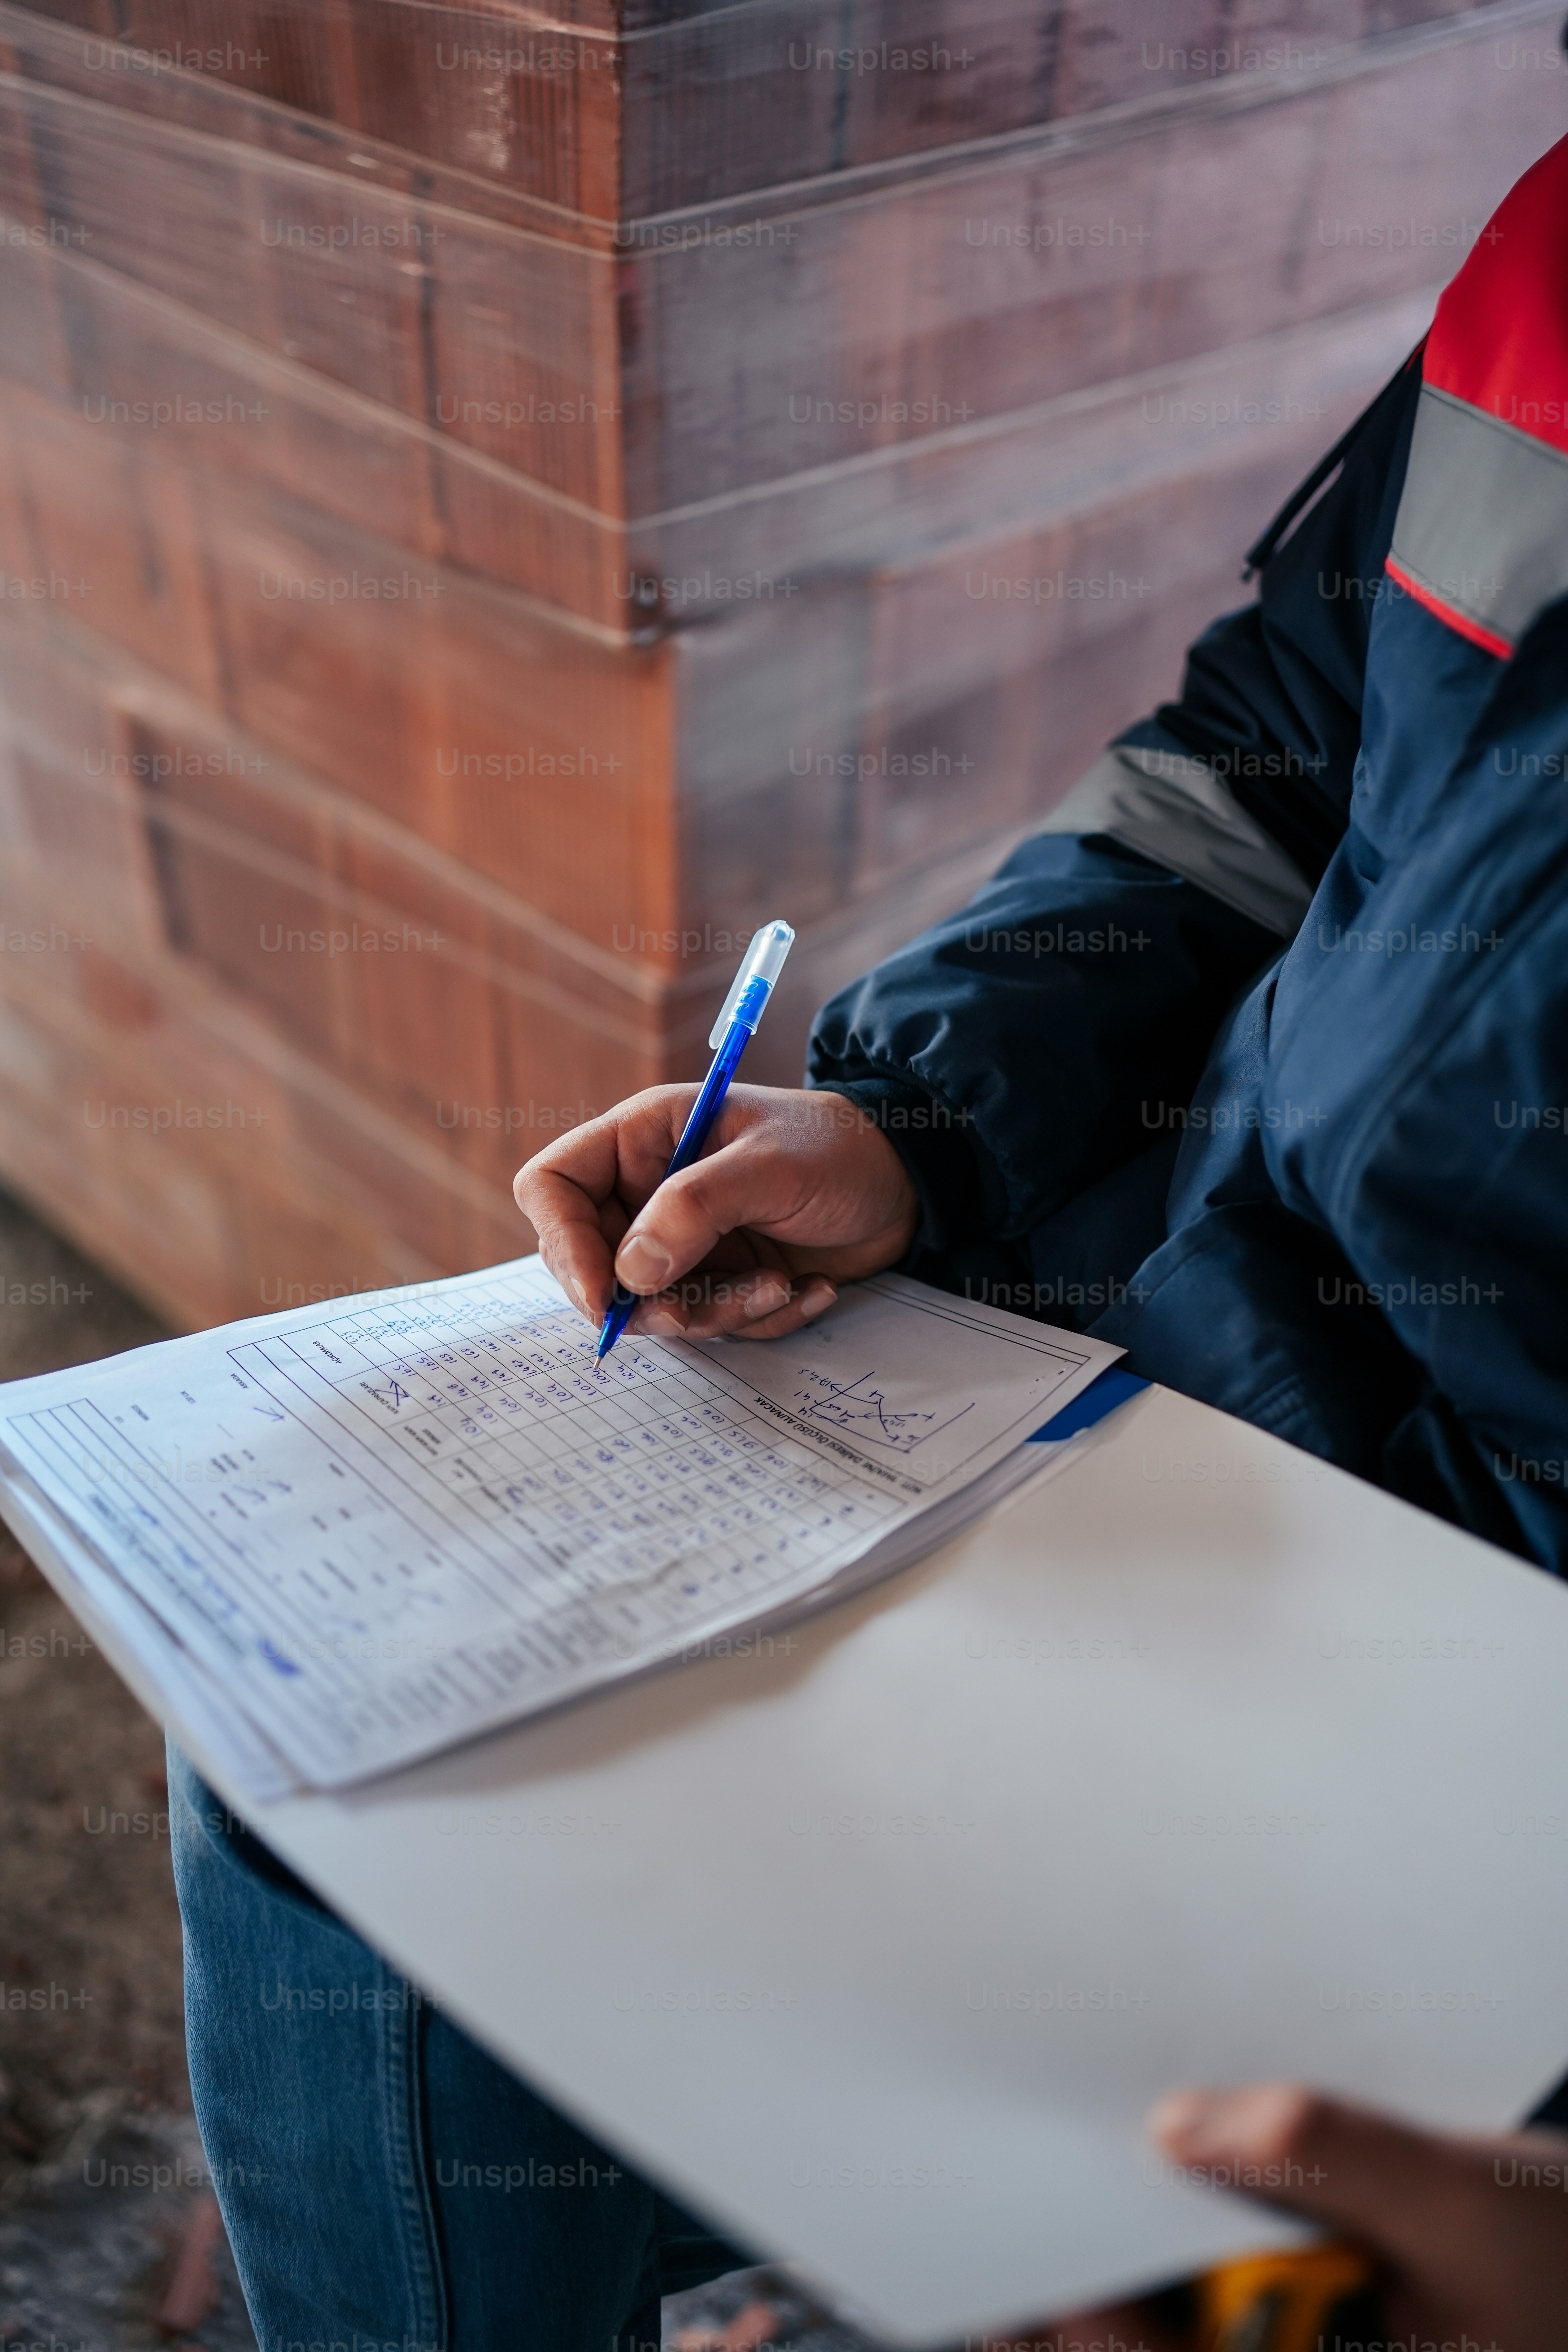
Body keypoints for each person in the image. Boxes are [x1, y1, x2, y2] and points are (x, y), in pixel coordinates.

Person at [173, 133, 1568, 2350]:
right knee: (338, 1768)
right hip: (1221, 1328)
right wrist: (917, 1128)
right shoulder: (1561, 245)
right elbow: (1264, 772)